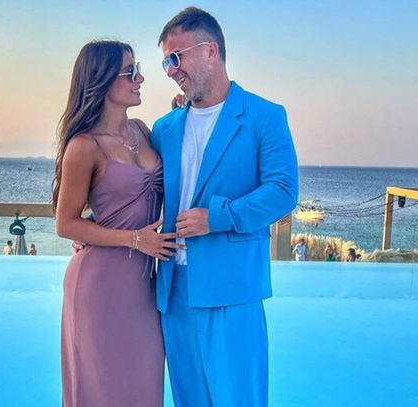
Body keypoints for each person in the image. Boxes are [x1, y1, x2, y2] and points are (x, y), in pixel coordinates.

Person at [150, 7, 299, 406]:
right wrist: (96, 226)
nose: (170, 70)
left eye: (175, 57)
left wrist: (218, 217)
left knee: (239, 399)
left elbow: (283, 190)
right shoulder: (164, 128)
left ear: (210, 50)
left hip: (233, 289)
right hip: (173, 291)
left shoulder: (265, 116)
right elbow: (138, 185)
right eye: (165, 62)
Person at [54, 40, 181, 407]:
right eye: (130, 72)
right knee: (101, 388)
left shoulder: (142, 130)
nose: (140, 78)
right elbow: (65, 223)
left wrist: (183, 114)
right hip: (99, 286)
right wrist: (135, 239)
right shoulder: (84, 146)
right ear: (102, 80)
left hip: (143, 287)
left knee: (143, 385)